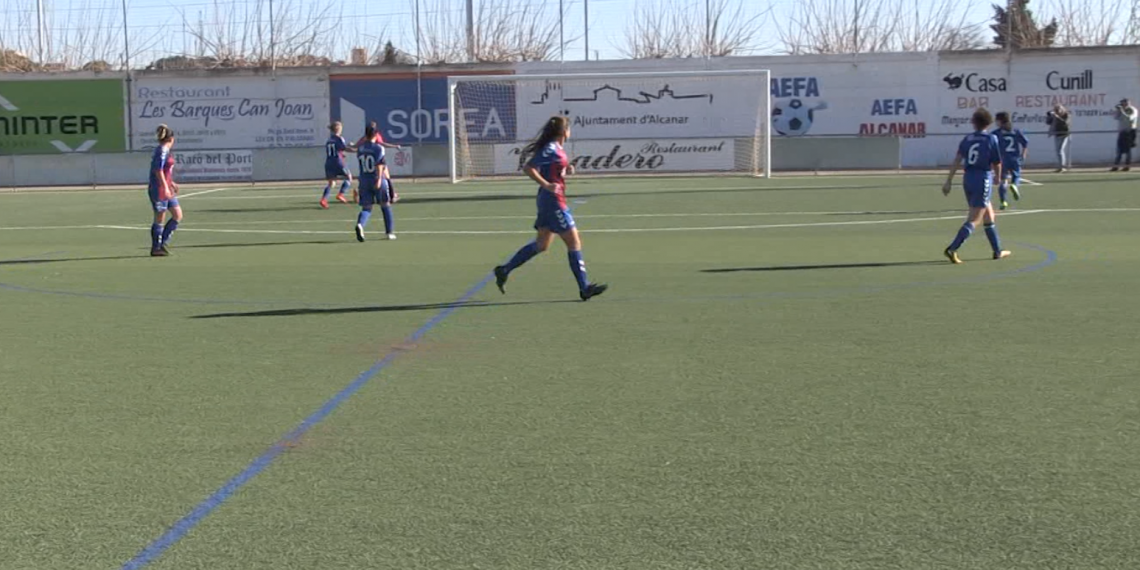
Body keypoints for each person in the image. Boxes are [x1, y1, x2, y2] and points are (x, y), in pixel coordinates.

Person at [493, 116, 607, 301]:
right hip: (553, 201)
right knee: (573, 242)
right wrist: (547, 184)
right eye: (569, 129)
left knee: (542, 245)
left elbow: (552, 169)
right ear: (564, 131)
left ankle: (504, 269)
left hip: (549, 200)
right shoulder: (551, 148)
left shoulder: (557, 149)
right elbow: (529, 168)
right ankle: (584, 287)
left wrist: (565, 169)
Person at [941, 108, 1011, 264]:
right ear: (989, 123)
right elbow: (997, 162)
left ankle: (997, 250)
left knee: (988, 215)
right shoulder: (991, 139)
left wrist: (949, 181)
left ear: (974, 122)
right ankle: (953, 248)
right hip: (982, 178)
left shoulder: (967, 139)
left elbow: (957, 160)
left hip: (968, 178)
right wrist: (998, 177)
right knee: (974, 219)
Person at [353, 124, 396, 242]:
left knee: (366, 208)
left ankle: (360, 225)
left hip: (364, 180)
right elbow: (380, 165)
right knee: (385, 205)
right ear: (376, 134)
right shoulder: (378, 148)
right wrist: (379, 180)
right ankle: (389, 232)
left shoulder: (360, 148)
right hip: (376, 179)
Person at [147, 124, 181, 257]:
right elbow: (158, 170)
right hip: (159, 189)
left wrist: (171, 183)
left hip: (166, 187)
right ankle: (156, 248)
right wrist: (165, 187)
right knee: (159, 217)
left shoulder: (165, 151)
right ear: (171, 139)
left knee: (177, 215)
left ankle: (163, 243)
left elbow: (165, 170)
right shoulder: (162, 151)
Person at [356, 121, 402, 203]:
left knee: (367, 178)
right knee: (385, 177)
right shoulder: (375, 136)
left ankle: (361, 193)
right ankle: (391, 196)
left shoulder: (365, 138)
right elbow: (382, 144)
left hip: (367, 162)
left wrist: (350, 147)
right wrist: (394, 146)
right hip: (378, 159)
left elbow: (357, 145)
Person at [992, 112, 1029, 210]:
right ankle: (1014, 185)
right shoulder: (1015, 131)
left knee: (1003, 180)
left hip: (1002, 160)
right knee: (1016, 175)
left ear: (1000, 121)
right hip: (1014, 158)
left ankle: (1003, 201)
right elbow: (1025, 143)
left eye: (996, 120)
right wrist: (1023, 153)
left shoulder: (996, 133)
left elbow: (990, 145)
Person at [320, 122, 354, 209]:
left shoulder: (329, 140)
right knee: (349, 177)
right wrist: (356, 150)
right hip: (338, 162)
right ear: (339, 129)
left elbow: (334, 151)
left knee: (331, 183)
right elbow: (344, 148)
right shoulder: (339, 139)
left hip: (329, 163)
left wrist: (341, 154)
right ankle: (341, 194)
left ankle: (324, 199)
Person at [1112, 98, 1137, 172]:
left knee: (1128, 150)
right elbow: (1116, 117)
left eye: (1124, 103)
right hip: (1122, 132)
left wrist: (1122, 111)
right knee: (1119, 150)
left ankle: (1127, 166)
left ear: (1128, 103)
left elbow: (1129, 118)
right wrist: (1118, 110)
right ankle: (1116, 166)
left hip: (1129, 131)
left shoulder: (1132, 110)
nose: (1123, 105)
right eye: (1122, 103)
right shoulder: (1122, 110)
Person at [1046, 104, 1071, 172]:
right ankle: (1060, 167)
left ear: (1062, 109)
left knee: (1060, 150)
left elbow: (1065, 123)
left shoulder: (1066, 114)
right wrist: (1049, 116)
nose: (1057, 111)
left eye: (1058, 110)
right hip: (1057, 134)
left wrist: (1057, 117)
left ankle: (1062, 167)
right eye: (1055, 110)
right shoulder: (1055, 116)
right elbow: (1048, 123)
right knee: (1058, 151)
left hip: (1064, 134)